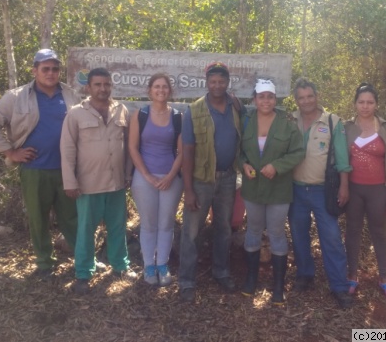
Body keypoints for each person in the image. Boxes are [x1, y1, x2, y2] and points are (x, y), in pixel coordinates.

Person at [0, 48, 80, 278]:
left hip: (67, 169)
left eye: (55, 69)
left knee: (72, 217)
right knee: (38, 218)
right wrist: (10, 151)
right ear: (35, 70)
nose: (51, 73)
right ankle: (45, 263)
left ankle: (82, 261)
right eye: (45, 68)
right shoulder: (16, 97)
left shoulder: (71, 94)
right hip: (35, 170)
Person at [60, 67, 137, 294]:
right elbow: (67, 149)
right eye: (98, 85)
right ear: (88, 87)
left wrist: (128, 174)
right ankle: (84, 273)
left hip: (116, 182)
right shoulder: (76, 113)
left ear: (111, 86)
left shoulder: (121, 110)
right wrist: (70, 181)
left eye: (106, 84)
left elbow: (129, 147)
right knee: (86, 230)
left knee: (117, 227)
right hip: (88, 184)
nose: (103, 89)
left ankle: (120, 265)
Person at [178, 61, 242, 303]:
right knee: (191, 232)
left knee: (224, 228)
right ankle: (186, 281)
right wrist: (188, 189)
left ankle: (221, 272)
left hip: (227, 179)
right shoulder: (194, 110)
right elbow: (187, 150)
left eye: (221, 81)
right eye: (213, 81)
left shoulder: (236, 107)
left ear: (227, 83)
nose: (217, 85)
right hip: (201, 181)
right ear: (207, 83)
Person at [288, 78, 354, 309]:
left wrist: (344, 185)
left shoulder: (332, 121)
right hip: (295, 189)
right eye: (301, 97)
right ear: (296, 100)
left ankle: (339, 286)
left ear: (317, 96)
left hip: (322, 190)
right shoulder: (289, 119)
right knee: (299, 236)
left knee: (332, 238)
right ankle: (305, 275)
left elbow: (342, 157)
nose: (306, 101)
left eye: (310, 96)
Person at [240, 79, 305, 304]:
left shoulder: (286, 123)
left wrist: (277, 166)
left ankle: (278, 286)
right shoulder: (246, 120)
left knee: (277, 233)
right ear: (255, 99)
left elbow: (298, 152)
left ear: (275, 99)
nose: (265, 100)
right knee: (253, 231)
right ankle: (251, 279)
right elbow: (238, 151)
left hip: (278, 188)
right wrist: (243, 165)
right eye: (261, 96)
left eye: (269, 96)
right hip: (253, 188)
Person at [343, 83, 386, 299]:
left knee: (379, 231)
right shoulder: (346, 127)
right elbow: (339, 161)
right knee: (353, 230)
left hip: (379, 189)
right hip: (353, 189)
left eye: (370, 102)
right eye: (361, 102)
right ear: (355, 104)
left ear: (376, 104)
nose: (365, 106)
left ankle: (385, 278)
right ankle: (351, 275)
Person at [128, 73, 183, 287]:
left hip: (171, 177)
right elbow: (133, 147)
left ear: (170, 91)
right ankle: (148, 266)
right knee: (149, 224)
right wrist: (148, 175)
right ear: (150, 90)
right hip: (144, 177)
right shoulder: (140, 115)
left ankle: (162, 264)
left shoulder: (178, 117)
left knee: (166, 223)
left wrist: (170, 176)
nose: (161, 90)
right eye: (156, 86)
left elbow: (182, 151)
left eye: (165, 87)